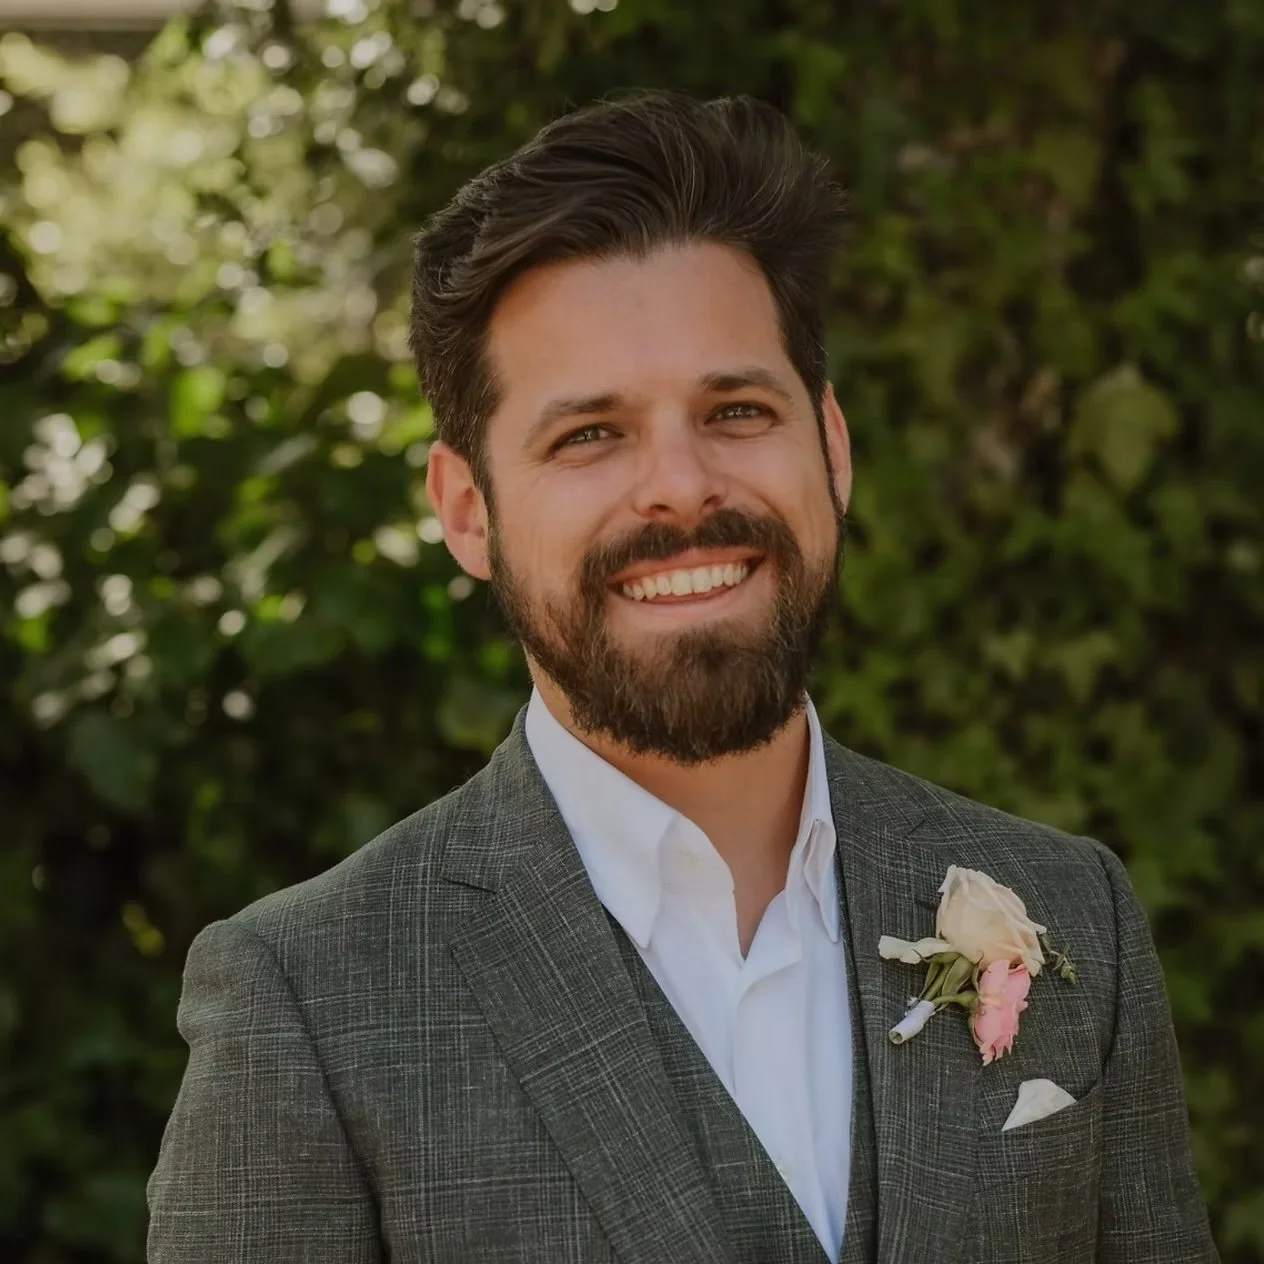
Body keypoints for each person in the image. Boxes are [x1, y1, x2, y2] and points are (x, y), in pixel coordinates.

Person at [147, 91, 1217, 1263]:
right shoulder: (310, 1000)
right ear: (467, 511)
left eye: (736, 409)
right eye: (589, 435)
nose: (681, 486)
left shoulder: (1075, 915)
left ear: (831, 445)